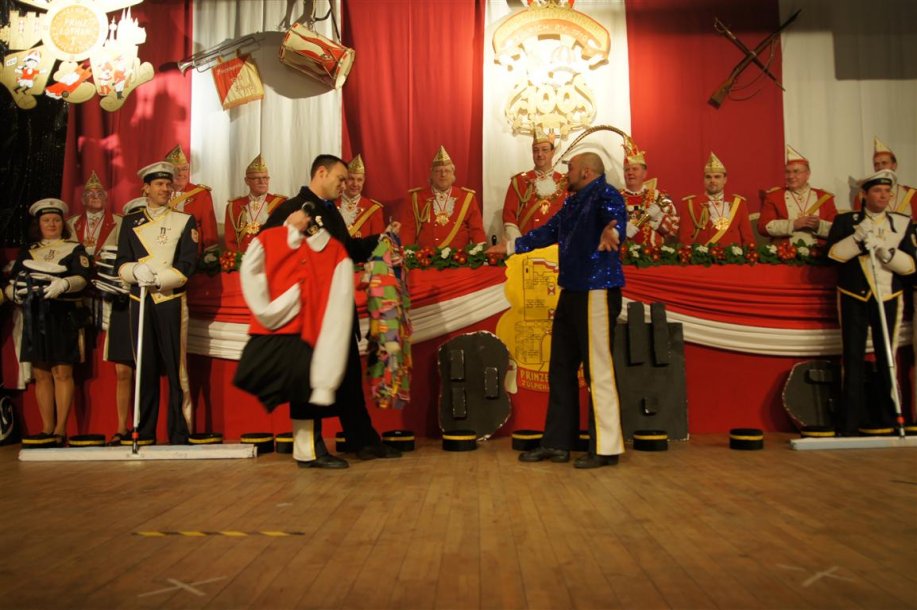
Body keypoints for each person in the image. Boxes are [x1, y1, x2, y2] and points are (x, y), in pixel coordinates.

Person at [488, 152, 627, 468]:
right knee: (561, 368)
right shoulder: (574, 202)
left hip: (596, 291)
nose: (567, 173)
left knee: (598, 370)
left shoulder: (605, 194)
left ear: (587, 172)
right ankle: (557, 443)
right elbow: (548, 231)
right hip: (572, 290)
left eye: (571, 168)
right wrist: (511, 246)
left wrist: (614, 232)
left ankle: (605, 448)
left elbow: (615, 217)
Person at [263, 154, 402, 463]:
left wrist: (381, 240)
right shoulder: (291, 209)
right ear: (321, 173)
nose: (344, 185)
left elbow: (347, 251)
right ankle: (308, 451)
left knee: (348, 380)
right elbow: (263, 248)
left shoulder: (330, 212)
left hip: (337, 311)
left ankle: (362, 440)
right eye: (340, 179)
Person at [237, 200, 355, 468]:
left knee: (307, 389)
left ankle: (308, 450)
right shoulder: (275, 238)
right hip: (289, 332)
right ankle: (309, 451)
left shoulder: (332, 251)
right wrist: (270, 309)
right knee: (303, 389)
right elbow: (253, 267)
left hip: (308, 330)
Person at [825, 169, 916, 436]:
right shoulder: (846, 221)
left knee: (888, 357)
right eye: (877, 191)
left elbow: (911, 266)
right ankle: (849, 422)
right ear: (864, 195)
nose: (884, 196)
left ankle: (890, 417)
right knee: (852, 357)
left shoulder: (901, 223)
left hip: (887, 295)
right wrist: (856, 240)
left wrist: (886, 252)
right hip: (853, 294)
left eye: (887, 191)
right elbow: (832, 256)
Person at [115, 162, 199, 445]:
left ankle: (180, 430)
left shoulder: (184, 221)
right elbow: (121, 262)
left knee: (176, 368)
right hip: (140, 299)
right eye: (159, 184)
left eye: (168, 184)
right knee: (145, 366)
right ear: (146, 189)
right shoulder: (130, 222)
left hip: (170, 298)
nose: (165, 189)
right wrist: (134, 271)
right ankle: (144, 430)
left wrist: (160, 278)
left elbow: (188, 263)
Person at [5, 199, 91, 446]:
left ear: (62, 223)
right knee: (41, 373)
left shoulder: (74, 248)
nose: (51, 224)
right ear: (38, 224)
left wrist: (65, 283)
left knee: (62, 372)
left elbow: (83, 277)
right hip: (35, 315)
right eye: (46, 220)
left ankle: (60, 430)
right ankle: (46, 429)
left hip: (62, 315)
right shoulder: (29, 251)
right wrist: (13, 292)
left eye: (55, 220)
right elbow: (13, 280)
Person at [401, 146, 487, 250]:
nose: (443, 174)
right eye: (438, 171)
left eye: (447, 170)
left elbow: (477, 230)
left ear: (453, 173)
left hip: (459, 257)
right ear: (431, 174)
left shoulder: (467, 198)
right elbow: (408, 230)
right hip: (426, 257)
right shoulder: (416, 197)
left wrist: (480, 252)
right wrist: (407, 253)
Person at [758, 145, 837, 245]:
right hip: (785, 251)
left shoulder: (824, 197)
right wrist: (793, 224)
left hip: (819, 252)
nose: (791, 176)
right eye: (787, 172)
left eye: (796, 172)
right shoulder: (774, 197)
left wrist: (819, 226)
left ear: (807, 174)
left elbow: (838, 230)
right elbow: (763, 227)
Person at [502, 129, 567, 246]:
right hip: (529, 247)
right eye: (535, 150)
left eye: (545, 150)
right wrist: (519, 244)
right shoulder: (519, 181)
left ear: (552, 152)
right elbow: (509, 217)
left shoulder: (565, 182)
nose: (540, 154)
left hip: (557, 247)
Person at [677, 152, 755, 246]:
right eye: (708, 177)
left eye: (717, 177)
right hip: (704, 254)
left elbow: (748, 238)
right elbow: (685, 239)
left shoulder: (738, 203)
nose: (712, 180)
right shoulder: (690, 204)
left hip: (732, 254)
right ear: (704, 180)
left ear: (725, 179)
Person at [619, 136, 679, 247]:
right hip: (623, 255)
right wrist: (621, 227)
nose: (630, 173)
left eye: (635, 169)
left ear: (644, 173)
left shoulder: (658, 197)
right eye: (627, 169)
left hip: (654, 255)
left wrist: (658, 219)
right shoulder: (615, 198)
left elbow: (675, 230)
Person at [224, 154, 287, 253]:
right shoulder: (233, 206)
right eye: (256, 178)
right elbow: (230, 241)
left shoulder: (280, 203)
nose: (262, 181)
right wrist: (239, 259)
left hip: (270, 256)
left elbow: (285, 237)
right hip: (242, 258)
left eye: (265, 178)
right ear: (247, 181)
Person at [164, 145, 219, 255]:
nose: (181, 174)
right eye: (175, 170)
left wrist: (209, 257)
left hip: (191, 252)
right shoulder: (159, 193)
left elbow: (209, 230)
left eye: (184, 169)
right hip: (163, 249)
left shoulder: (201, 194)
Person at [853, 138, 916, 217]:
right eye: (876, 164)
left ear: (894, 165)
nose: (880, 167)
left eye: (884, 163)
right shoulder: (862, 197)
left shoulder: (912, 195)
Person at [66, 171, 121, 259]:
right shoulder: (70, 223)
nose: (95, 197)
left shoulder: (119, 221)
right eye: (90, 194)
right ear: (83, 200)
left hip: (106, 265)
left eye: (100, 194)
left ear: (105, 199)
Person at [334, 154, 386, 238]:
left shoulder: (373, 209)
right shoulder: (331, 203)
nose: (355, 184)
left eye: (359, 180)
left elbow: (379, 242)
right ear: (345, 180)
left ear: (364, 181)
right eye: (351, 179)